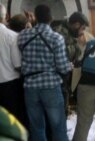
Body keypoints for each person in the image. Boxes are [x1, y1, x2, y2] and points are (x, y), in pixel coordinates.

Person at [18, 4, 72, 141]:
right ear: (51, 18)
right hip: (51, 87)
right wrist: (69, 66)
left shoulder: (22, 36)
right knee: (58, 127)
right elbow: (62, 67)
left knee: (36, 128)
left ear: (35, 17)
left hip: (30, 87)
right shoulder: (56, 38)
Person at [52, 12, 94, 115]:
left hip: (62, 77)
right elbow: (69, 56)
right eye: (82, 28)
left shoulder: (67, 32)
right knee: (60, 112)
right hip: (57, 78)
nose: (83, 32)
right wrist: (79, 44)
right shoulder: (61, 33)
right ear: (76, 24)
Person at [0, 3, 26, 127]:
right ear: (5, 16)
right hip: (10, 86)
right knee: (12, 122)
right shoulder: (12, 36)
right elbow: (17, 64)